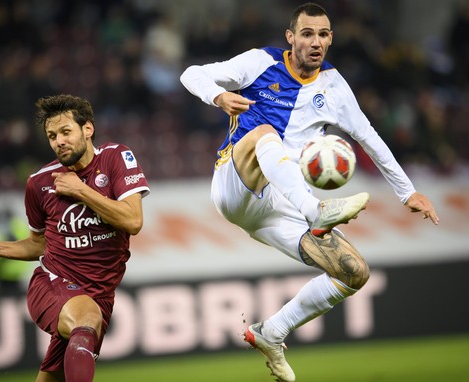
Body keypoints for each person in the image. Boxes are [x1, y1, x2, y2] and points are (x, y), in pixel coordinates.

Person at [180, 3, 438, 381]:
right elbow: (192, 73)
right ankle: (316, 212)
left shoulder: (334, 85)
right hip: (236, 183)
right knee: (266, 132)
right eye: (306, 33)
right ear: (291, 37)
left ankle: (272, 333)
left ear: (331, 38)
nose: (315, 42)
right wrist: (217, 97)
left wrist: (408, 193)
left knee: (353, 272)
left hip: (278, 204)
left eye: (323, 34)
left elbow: (368, 137)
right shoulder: (260, 62)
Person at [0, 94, 150, 382]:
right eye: (52, 136)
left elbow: (133, 220)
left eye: (66, 132)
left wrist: (80, 191)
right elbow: (39, 244)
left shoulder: (116, 157)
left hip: (99, 295)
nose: (59, 141)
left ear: (87, 129)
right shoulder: (39, 183)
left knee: (53, 376)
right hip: (53, 284)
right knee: (87, 320)